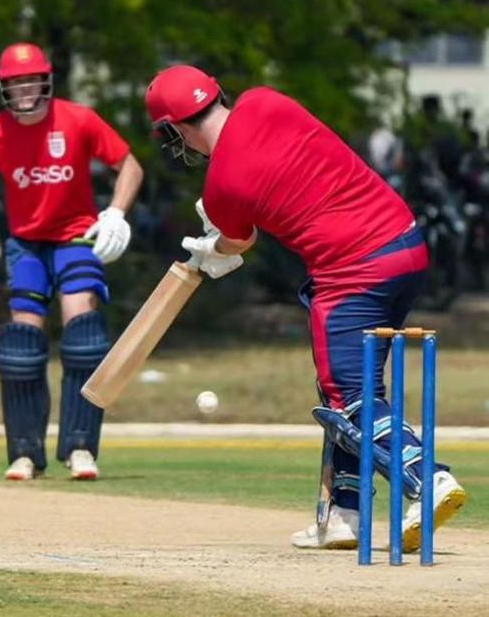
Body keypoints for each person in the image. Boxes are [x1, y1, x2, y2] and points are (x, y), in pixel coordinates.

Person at [144, 64, 466, 550]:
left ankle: (427, 479)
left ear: (175, 128)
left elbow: (237, 242)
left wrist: (212, 249)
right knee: (355, 388)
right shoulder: (266, 100)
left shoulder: (221, 183)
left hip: (352, 272)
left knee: (350, 397)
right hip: (405, 245)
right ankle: (345, 514)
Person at [0, 42, 145, 481]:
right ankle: (25, 452)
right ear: (4, 87)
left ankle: (80, 448)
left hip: (75, 236)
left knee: (83, 332)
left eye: (31, 79)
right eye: (15, 82)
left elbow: (129, 165)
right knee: (21, 343)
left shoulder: (79, 120)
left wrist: (115, 212)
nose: (24, 89)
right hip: (27, 244)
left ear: (46, 81)